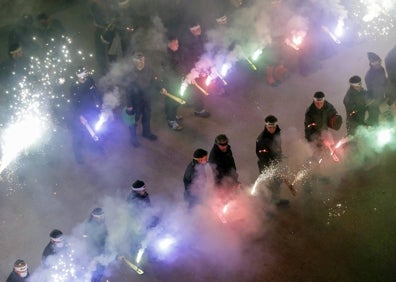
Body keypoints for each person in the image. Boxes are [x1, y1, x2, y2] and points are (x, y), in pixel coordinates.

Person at [69, 66, 104, 163]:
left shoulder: (89, 80)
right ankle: (78, 155)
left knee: (95, 130)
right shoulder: (74, 86)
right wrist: (80, 116)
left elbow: (96, 93)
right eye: (82, 76)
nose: (84, 78)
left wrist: (102, 104)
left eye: (85, 74)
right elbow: (74, 103)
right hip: (80, 112)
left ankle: (95, 147)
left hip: (91, 110)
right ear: (77, 76)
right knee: (78, 135)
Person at [125, 52, 158, 147]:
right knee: (134, 120)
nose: (141, 63)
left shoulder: (149, 70)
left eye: (143, 60)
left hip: (146, 99)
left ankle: (146, 133)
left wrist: (159, 88)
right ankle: (133, 138)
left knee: (147, 117)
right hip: (135, 101)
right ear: (134, 62)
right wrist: (129, 104)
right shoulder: (130, 74)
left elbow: (153, 82)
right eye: (139, 61)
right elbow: (128, 90)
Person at [255, 115, 289, 206]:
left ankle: (276, 201)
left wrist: (280, 159)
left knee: (277, 183)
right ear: (266, 126)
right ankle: (267, 208)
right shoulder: (261, 139)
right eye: (270, 127)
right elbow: (262, 157)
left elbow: (278, 148)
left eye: (273, 127)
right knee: (269, 185)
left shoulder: (277, 133)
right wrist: (270, 168)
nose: (272, 129)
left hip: (276, 162)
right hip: (266, 165)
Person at [182, 22, 211, 117]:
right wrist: (190, 72)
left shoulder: (200, 38)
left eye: (199, 28)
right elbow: (188, 58)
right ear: (192, 31)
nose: (199, 30)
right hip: (194, 69)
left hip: (201, 67)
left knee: (196, 89)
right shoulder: (189, 42)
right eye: (197, 29)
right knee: (198, 89)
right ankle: (199, 110)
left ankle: (190, 102)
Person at [160, 35, 184, 131]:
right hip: (171, 82)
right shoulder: (167, 56)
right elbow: (168, 71)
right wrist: (177, 78)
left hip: (174, 81)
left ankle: (171, 115)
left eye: (177, 43)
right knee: (172, 101)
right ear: (169, 44)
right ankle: (171, 121)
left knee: (171, 100)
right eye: (175, 43)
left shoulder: (173, 52)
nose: (177, 45)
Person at [84, 207, 108, 282]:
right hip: (94, 251)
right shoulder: (90, 225)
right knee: (94, 269)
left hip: (101, 250)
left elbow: (105, 234)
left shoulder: (102, 223)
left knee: (101, 269)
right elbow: (89, 239)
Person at [365, 52, 388, 125]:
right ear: (373, 63)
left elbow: (384, 81)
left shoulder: (381, 69)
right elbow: (370, 90)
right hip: (377, 100)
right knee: (378, 118)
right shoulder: (368, 76)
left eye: (380, 62)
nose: (380, 63)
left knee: (388, 115)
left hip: (384, 97)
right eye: (379, 62)